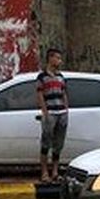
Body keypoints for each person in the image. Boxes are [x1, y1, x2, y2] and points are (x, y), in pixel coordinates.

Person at [35, 48, 69, 184]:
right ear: (50, 59)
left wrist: (66, 109)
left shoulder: (61, 77)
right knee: (46, 143)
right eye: (57, 58)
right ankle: (44, 172)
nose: (59, 61)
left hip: (61, 113)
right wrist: (45, 112)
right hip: (50, 113)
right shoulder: (42, 77)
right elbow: (39, 95)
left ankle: (55, 171)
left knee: (58, 144)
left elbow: (64, 93)